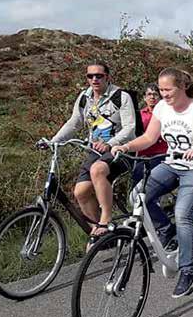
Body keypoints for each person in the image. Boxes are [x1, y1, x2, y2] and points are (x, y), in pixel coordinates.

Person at [112, 67, 193, 298]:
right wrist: (126, 146)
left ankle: (187, 270)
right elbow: (149, 138)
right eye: (160, 90)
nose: (163, 94)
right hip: (172, 164)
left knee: (183, 213)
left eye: (167, 89)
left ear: (182, 86)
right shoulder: (162, 108)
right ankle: (167, 232)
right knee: (137, 196)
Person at [50, 61, 136, 247]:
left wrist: (110, 143)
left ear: (108, 77)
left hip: (122, 150)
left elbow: (130, 127)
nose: (94, 79)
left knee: (97, 170)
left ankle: (105, 219)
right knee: (80, 192)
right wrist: (53, 141)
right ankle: (101, 236)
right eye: (90, 76)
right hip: (95, 151)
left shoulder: (121, 96)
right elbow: (74, 123)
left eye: (99, 76)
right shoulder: (85, 97)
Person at [131, 83, 169, 185]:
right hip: (143, 155)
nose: (152, 97)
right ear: (144, 97)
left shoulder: (166, 114)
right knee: (137, 180)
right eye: (149, 94)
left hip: (161, 154)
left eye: (155, 94)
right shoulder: (139, 115)